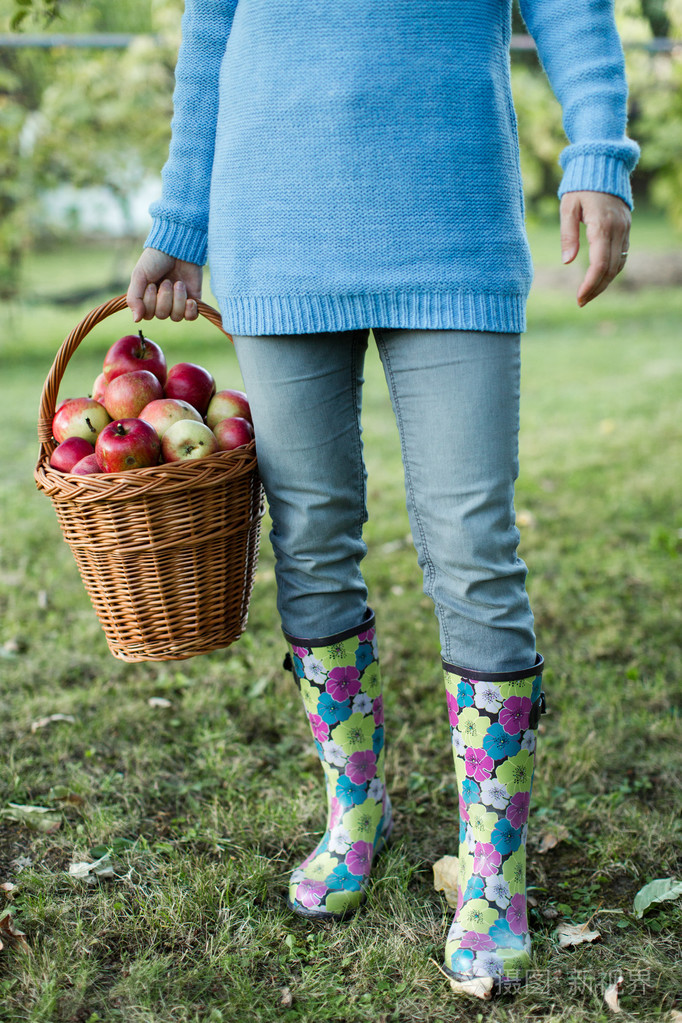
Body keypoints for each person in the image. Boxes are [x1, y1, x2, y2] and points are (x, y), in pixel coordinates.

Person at [126, 0, 638, 991]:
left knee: (473, 544)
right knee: (311, 533)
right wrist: (182, 219)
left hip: (451, 222)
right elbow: (210, 34)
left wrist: (597, 155)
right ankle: (353, 811)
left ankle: (492, 874)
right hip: (273, 227)